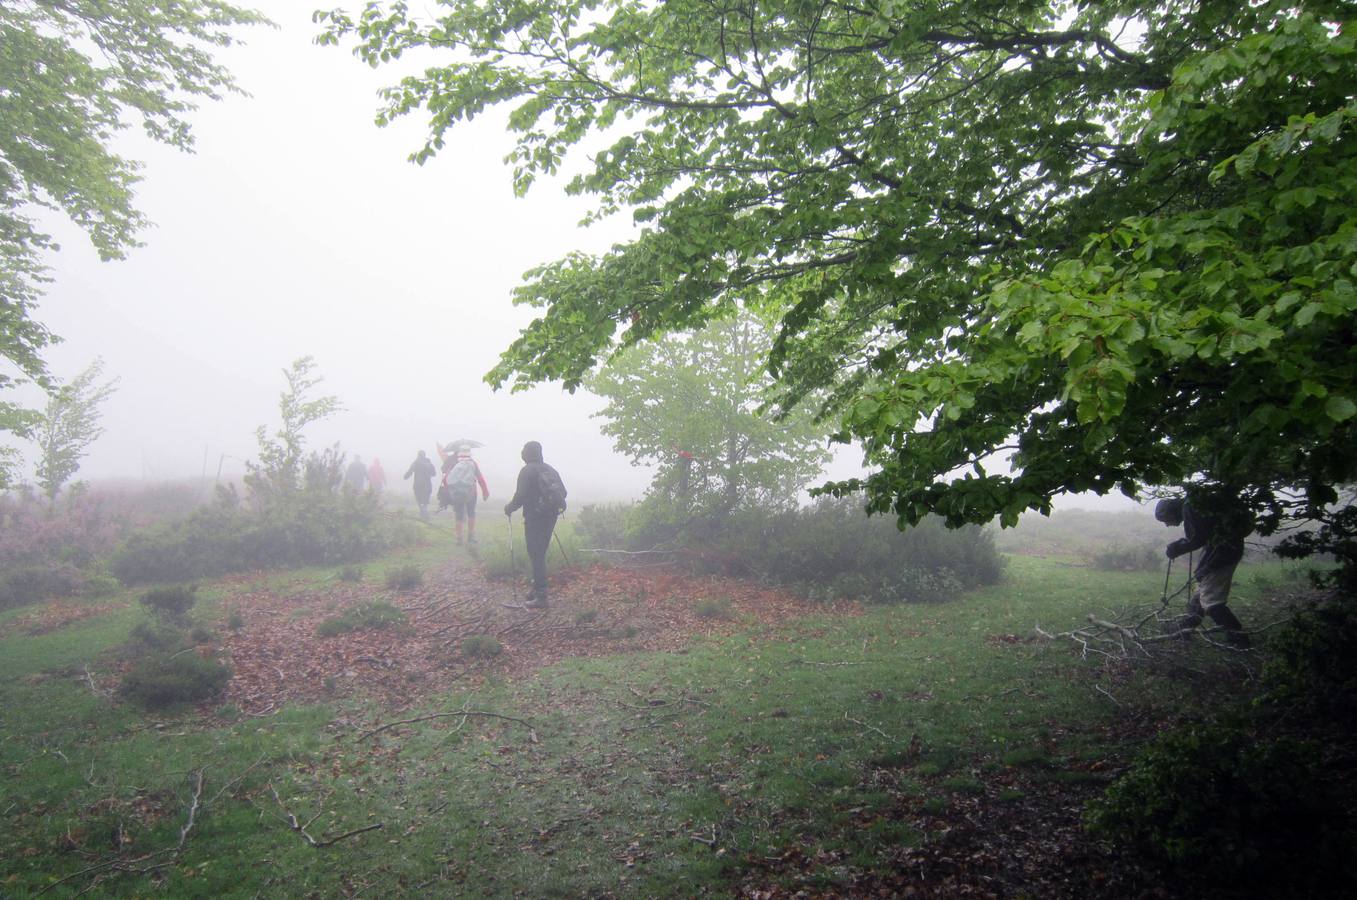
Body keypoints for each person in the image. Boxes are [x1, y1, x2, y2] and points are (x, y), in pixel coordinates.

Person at [1155, 492, 1253, 648]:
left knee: (1212, 602)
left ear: (1170, 512)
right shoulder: (1193, 503)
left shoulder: (1190, 507)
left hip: (1223, 552)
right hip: (1222, 549)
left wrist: (1175, 548)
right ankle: (1184, 629)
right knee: (1201, 588)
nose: (1167, 524)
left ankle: (1239, 638)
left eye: (1165, 520)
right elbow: (1202, 536)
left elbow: (1196, 539)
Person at [504, 440, 567, 608]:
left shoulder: (527, 471)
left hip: (534, 517)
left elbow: (521, 495)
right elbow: (564, 492)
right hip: (550, 516)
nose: (522, 453)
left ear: (528, 453)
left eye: (523, 450)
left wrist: (509, 508)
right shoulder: (550, 469)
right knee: (540, 553)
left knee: (536, 554)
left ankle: (541, 596)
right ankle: (536, 589)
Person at [436, 441, 490, 545]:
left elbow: (446, 477)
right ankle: (470, 537)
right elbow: (480, 478)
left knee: (459, 515)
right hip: (471, 493)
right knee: (471, 513)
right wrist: (485, 492)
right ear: (469, 452)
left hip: (456, 493)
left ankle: (459, 538)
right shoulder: (473, 463)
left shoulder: (451, 462)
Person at [403, 450, 437, 519]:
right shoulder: (429, 462)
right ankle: (424, 511)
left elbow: (410, 471)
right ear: (424, 455)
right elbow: (434, 473)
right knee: (425, 500)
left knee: (419, 499)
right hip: (427, 484)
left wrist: (405, 476)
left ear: (418, 455)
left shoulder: (416, 462)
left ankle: (423, 512)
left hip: (418, 484)